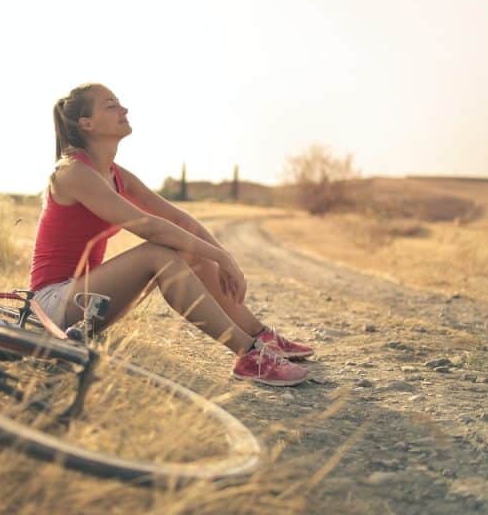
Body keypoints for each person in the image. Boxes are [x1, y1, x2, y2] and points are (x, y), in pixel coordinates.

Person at [29, 83, 314, 387]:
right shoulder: (72, 172)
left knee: (191, 250)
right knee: (158, 253)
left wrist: (223, 256)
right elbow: (148, 225)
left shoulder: (115, 174)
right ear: (87, 123)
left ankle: (260, 336)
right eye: (111, 105)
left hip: (88, 302)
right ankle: (248, 354)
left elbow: (176, 218)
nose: (123, 109)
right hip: (51, 306)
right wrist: (219, 256)